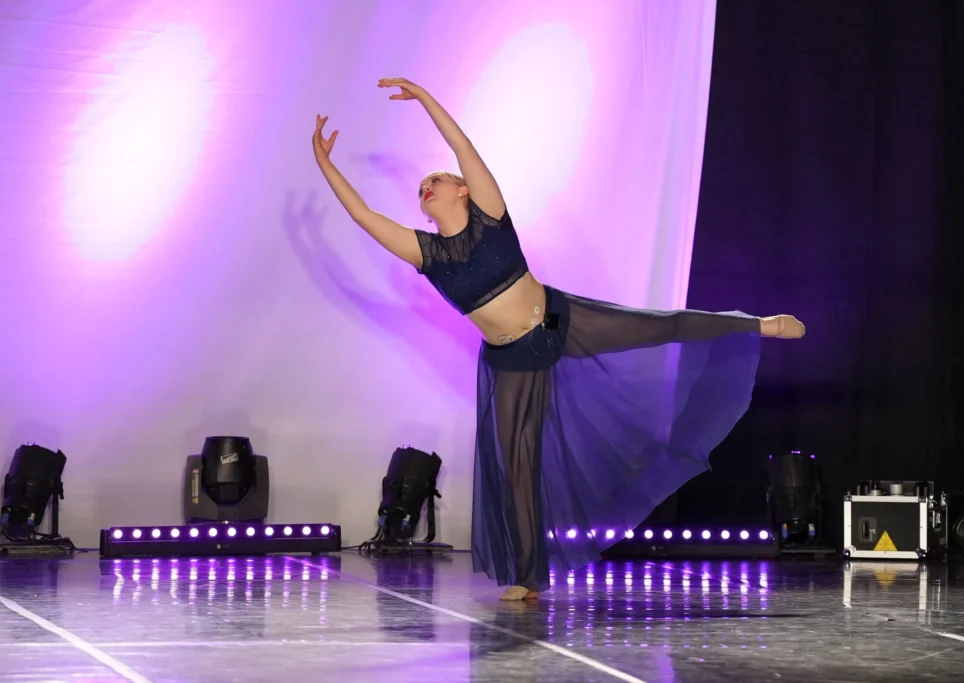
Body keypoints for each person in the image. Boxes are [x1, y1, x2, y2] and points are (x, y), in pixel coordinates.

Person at [312, 78, 805, 601]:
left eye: (437, 178)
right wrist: (325, 163)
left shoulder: (491, 217)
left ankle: (757, 324)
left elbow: (463, 147)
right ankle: (529, 576)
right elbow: (364, 216)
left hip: (560, 321)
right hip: (511, 361)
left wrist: (424, 97)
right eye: (420, 189)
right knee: (515, 468)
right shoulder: (426, 254)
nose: (426, 186)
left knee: (659, 325)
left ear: (462, 190)